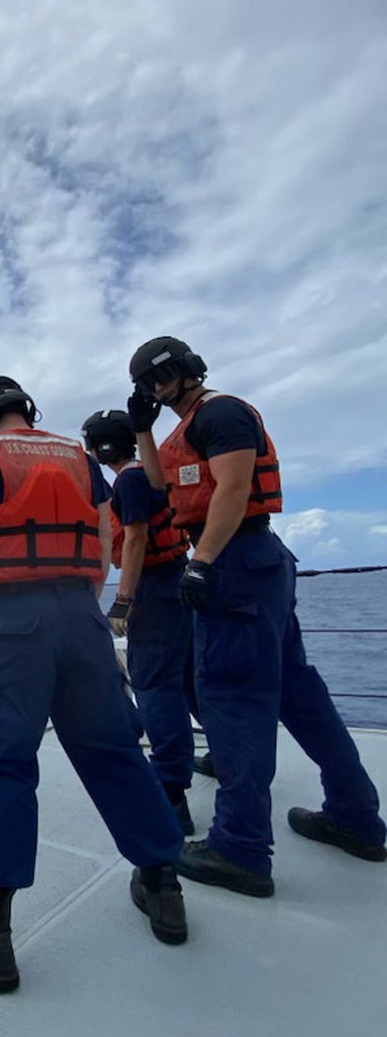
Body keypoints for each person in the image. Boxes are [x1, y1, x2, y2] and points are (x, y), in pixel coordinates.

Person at [0, 376, 188, 995]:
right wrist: (80, 606)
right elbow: (104, 540)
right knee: (114, 751)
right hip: (81, 615)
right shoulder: (79, 457)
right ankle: (163, 888)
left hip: (13, 621)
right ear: (27, 411)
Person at [128, 337, 386, 896]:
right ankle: (356, 817)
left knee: (232, 701)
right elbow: (158, 486)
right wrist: (142, 429)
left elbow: (234, 487)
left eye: (159, 380)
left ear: (183, 373)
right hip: (253, 565)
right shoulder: (187, 427)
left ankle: (240, 848)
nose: (156, 391)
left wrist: (202, 562)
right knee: (298, 691)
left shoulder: (220, 413)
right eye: (149, 386)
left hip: (235, 563)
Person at [81, 409, 196, 834]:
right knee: (187, 678)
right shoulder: (145, 474)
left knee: (153, 685)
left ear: (103, 449)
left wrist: (123, 600)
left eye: (91, 447)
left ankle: (170, 792)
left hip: (154, 588)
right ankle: (220, 757)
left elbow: (135, 539)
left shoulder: (128, 481)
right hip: (178, 581)